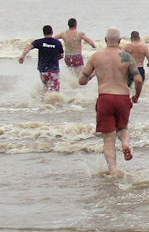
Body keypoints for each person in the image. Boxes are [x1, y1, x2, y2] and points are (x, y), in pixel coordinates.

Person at [79, 28, 142, 175]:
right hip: (122, 97)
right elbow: (138, 79)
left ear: (106, 40)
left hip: (105, 98)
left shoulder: (96, 57)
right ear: (119, 41)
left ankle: (113, 171)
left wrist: (93, 75)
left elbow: (82, 81)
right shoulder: (126, 56)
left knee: (108, 139)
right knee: (123, 128)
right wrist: (136, 96)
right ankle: (125, 143)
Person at [19, 25, 64, 93]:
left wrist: (23, 56)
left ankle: (42, 100)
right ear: (52, 32)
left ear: (43, 33)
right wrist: (55, 59)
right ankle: (53, 102)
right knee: (55, 90)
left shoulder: (39, 42)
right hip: (54, 70)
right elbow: (62, 55)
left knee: (45, 87)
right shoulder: (57, 42)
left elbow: (28, 47)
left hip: (43, 71)